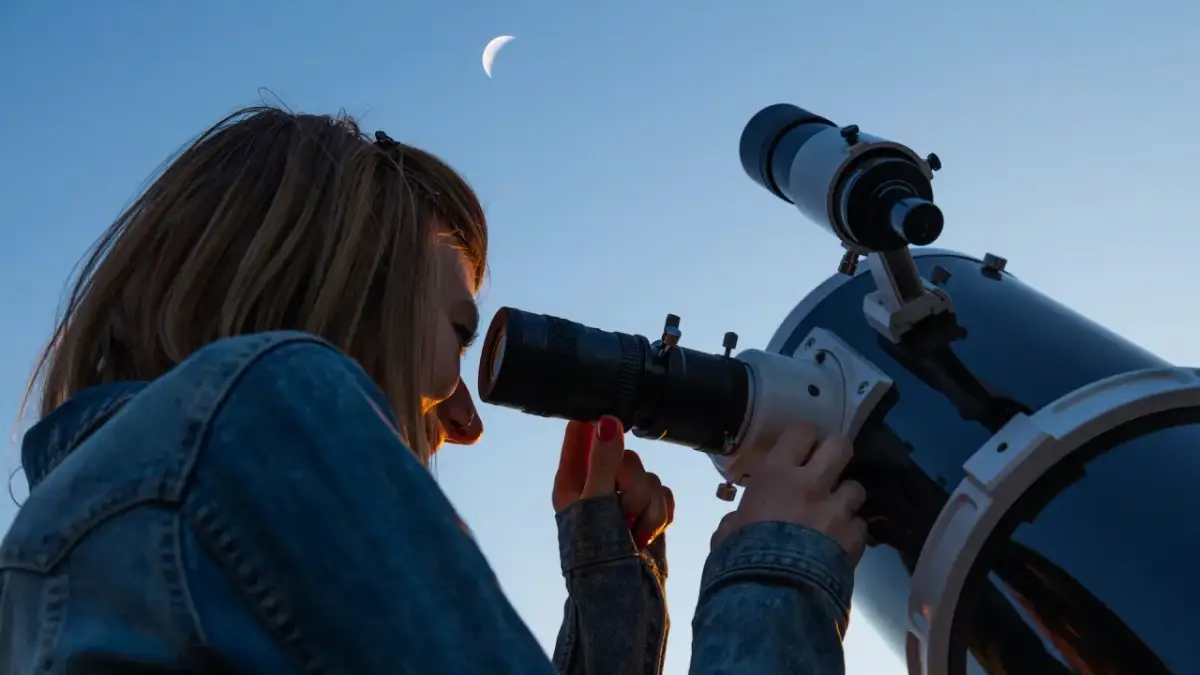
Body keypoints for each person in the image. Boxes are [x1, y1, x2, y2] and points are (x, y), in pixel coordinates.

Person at [0, 106, 869, 674]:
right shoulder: (273, 400)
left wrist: (611, 579)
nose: (465, 417)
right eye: (459, 331)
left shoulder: (63, 567)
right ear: (346, 285)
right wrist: (777, 568)